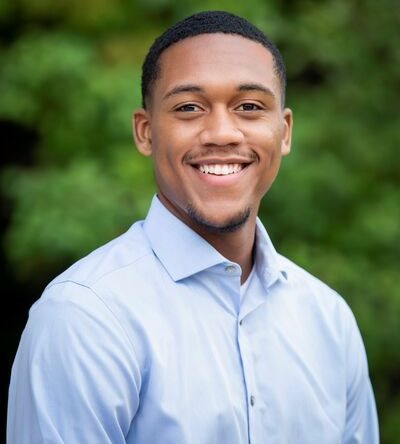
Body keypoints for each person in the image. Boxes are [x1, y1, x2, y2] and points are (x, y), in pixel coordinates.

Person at [7, 10, 379, 444]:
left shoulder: (328, 320)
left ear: (284, 131)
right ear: (145, 132)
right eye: (188, 107)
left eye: (249, 107)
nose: (222, 132)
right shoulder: (85, 319)